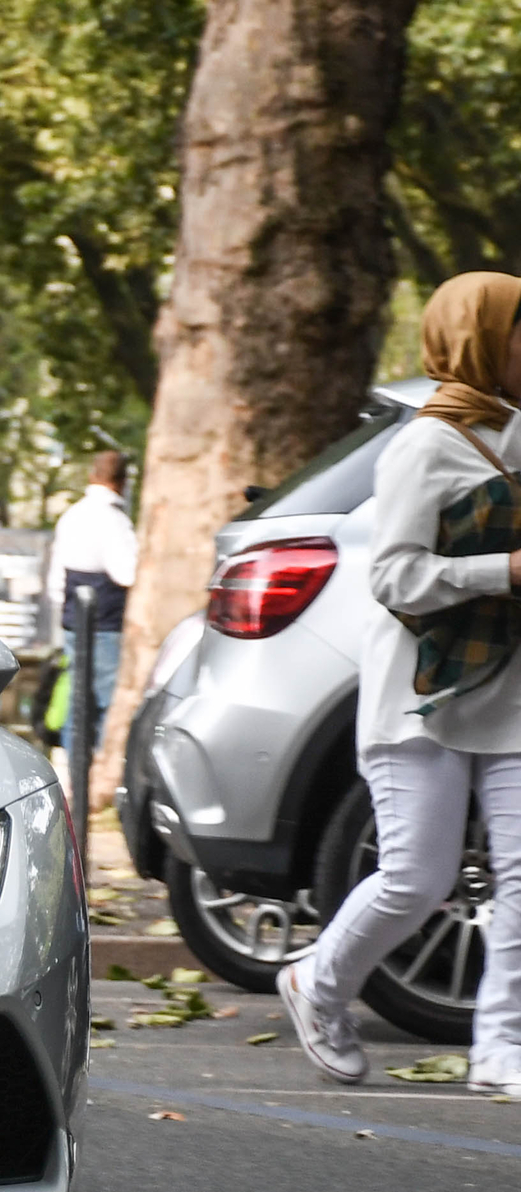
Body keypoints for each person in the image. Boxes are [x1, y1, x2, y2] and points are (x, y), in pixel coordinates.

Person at [281, 271, 521, 1091]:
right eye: (519, 331)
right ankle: (319, 981)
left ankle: (500, 1051)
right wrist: (504, 570)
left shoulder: (519, 433)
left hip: (509, 693)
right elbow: (396, 578)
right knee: (419, 878)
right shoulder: (424, 445)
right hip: (423, 692)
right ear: (480, 340)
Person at [50, 449, 138, 748]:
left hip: (73, 622)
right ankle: (100, 773)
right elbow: (127, 573)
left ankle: (73, 775)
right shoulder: (114, 521)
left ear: (92, 476)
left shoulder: (71, 515)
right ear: (122, 482)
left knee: (77, 703)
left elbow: (56, 578)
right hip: (106, 624)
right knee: (107, 703)